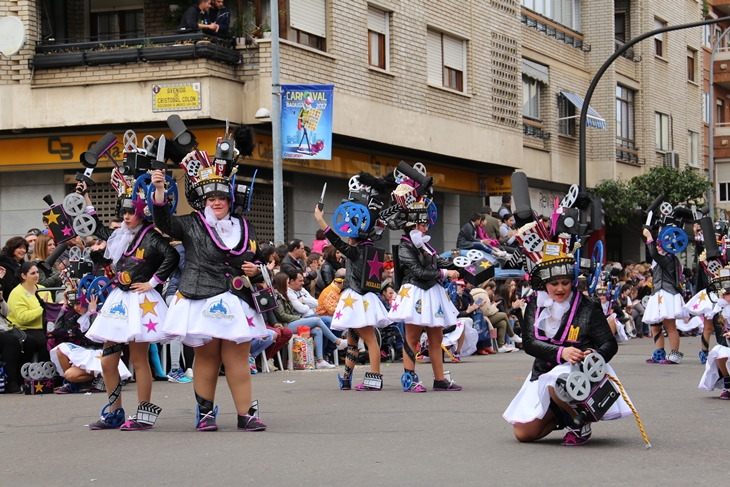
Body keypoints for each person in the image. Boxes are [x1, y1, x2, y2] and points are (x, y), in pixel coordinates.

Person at [151, 125, 268, 432]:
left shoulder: (245, 226)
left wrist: (256, 271)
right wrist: (161, 191)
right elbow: (162, 222)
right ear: (201, 200)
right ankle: (205, 415)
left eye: (221, 197)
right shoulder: (190, 224)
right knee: (206, 357)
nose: (216, 202)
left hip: (237, 299)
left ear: (231, 199)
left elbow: (253, 258)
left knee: (237, 358)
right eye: (210, 197)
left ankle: (247, 415)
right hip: (200, 295)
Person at [503, 222, 634, 446]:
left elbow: (609, 344)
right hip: (542, 371)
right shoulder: (535, 304)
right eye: (554, 284)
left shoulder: (588, 306)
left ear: (573, 281)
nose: (560, 289)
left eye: (565, 282)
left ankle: (580, 423)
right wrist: (561, 352)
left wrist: (595, 353)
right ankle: (564, 414)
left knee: (557, 380)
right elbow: (530, 343)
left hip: (579, 372)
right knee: (523, 434)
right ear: (545, 284)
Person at [78, 176, 179, 431]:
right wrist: (85, 198)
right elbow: (96, 228)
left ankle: (143, 414)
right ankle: (115, 413)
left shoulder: (152, 236)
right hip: (119, 302)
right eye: (123, 211)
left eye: (130, 211)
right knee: (107, 361)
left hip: (141, 301)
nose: (125, 216)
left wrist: (154, 282)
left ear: (142, 213)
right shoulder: (120, 234)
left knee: (138, 360)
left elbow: (172, 255)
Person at [387, 167, 462, 392]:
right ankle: (409, 379)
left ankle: (440, 379)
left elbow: (439, 262)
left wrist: (460, 265)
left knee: (435, 339)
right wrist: (445, 274)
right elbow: (418, 272)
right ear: (412, 223)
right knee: (412, 339)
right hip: (415, 293)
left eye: (427, 223)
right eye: (422, 223)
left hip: (432, 293)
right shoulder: (405, 245)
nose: (426, 226)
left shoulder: (425, 244)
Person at [314, 204, 391, 390]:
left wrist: (320, 219)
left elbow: (334, 239)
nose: (346, 236)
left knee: (370, 340)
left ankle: (374, 380)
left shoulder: (355, 250)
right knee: (352, 340)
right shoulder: (369, 248)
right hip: (363, 299)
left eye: (349, 233)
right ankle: (347, 379)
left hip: (357, 300)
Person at [51, 294, 132, 394]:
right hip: (87, 352)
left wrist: (93, 312)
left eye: (79, 304)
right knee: (61, 350)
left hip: (100, 353)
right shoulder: (79, 317)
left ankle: (103, 377)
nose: (76, 307)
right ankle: (76, 382)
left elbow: (97, 335)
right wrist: (65, 306)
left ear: (87, 303)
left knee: (69, 374)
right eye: (74, 304)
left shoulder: (100, 314)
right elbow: (58, 328)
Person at [272, 272, 346, 368]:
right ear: (282, 283)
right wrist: (299, 318)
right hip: (286, 324)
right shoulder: (276, 296)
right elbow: (282, 316)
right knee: (317, 320)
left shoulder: (285, 294)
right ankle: (337, 341)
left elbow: (317, 303)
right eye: (287, 282)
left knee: (318, 330)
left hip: (293, 321)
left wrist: (304, 302)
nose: (288, 285)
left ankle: (320, 360)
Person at [642, 227, 685, 364]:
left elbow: (654, 254)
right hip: (658, 293)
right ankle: (659, 352)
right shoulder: (663, 258)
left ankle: (675, 355)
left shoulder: (670, 259)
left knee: (669, 326)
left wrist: (649, 237)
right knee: (655, 326)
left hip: (666, 293)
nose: (659, 247)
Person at [6, 262, 52, 373]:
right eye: (32, 273)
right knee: (46, 342)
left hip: (44, 326)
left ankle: (51, 374)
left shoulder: (43, 289)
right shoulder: (17, 293)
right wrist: (43, 307)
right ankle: (40, 373)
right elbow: (22, 318)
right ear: (23, 276)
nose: (37, 275)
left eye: (37, 272)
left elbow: (50, 310)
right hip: (23, 328)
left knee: (56, 338)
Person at [699, 284, 730, 399]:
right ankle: (728, 386)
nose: (727, 296)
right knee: (719, 353)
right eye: (726, 294)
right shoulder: (720, 310)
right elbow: (720, 336)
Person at [0, 280, 23, 393]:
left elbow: (6, 312)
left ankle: (22, 380)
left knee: (28, 341)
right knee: (11, 341)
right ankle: (12, 381)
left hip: (4, 329)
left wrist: (0, 299)